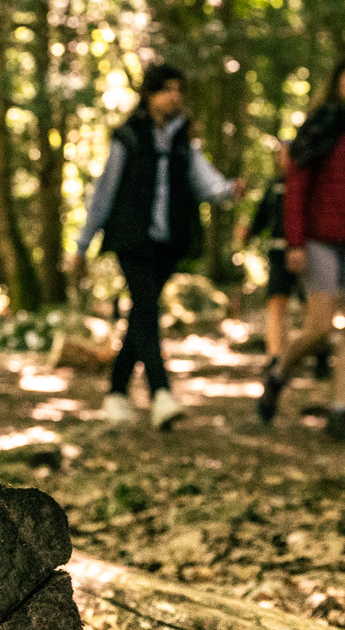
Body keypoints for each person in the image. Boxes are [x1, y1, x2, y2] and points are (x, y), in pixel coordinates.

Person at [68, 63, 244, 429]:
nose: (175, 96)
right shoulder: (128, 137)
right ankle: (161, 393)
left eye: (179, 89)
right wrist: (82, 244)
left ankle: (116, 394)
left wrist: (228, 191)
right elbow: (105, 192)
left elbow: (205, 181)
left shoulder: (183, 142)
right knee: (146, 307)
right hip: (131, 239)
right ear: (149, 94)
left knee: (142, 315)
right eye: (167, 89)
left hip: (169, 242)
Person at [256, 54, 345, 443]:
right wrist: (295, 242)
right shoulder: (316, 129)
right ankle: (279, 374)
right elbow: (296, 190)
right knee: (319, 329)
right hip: (320, 241)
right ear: (337, 82)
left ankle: (340, 411)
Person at [235, 139, 330, 380]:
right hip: (278, 253)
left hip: (308, 254)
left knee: (312, 305)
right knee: (277, 303)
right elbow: (262, 216)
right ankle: (276, 356)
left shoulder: (313, 183)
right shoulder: (274, 185)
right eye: (281, 154)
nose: (284, 159)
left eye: (289, 154)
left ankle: (320, 353)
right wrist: (249, 233)